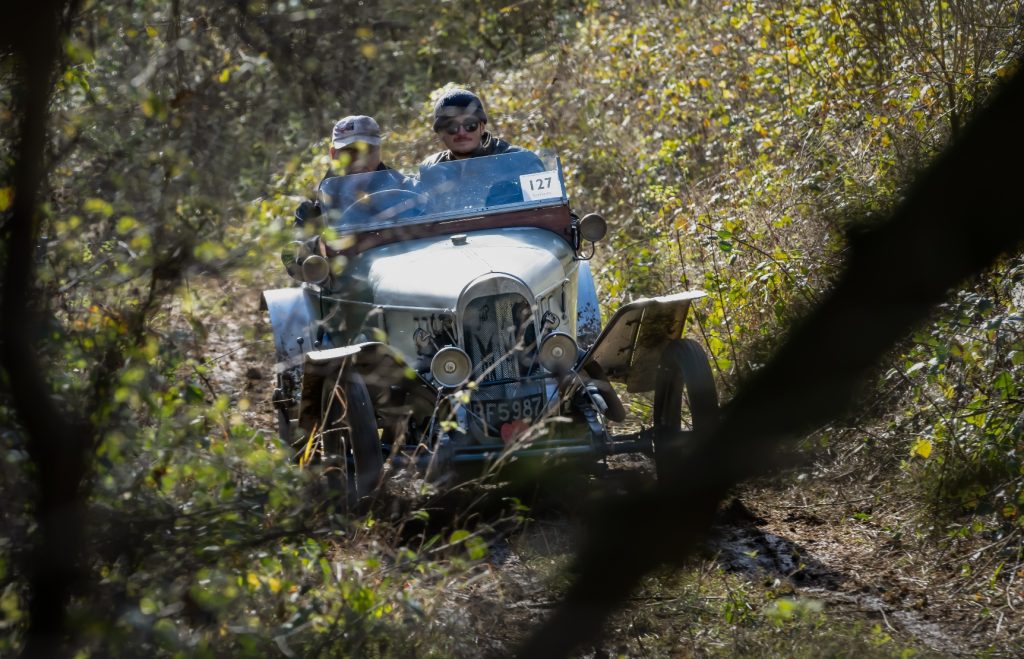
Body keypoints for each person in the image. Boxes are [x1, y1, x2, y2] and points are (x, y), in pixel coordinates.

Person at [294, 114, 402, 229]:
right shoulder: (313, 210)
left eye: (367, 150)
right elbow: (305, 244)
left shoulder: (403, 187)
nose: (360, 159)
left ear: (379, 151)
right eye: (350, 151)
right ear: (333, 154)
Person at [421, 89, 523, 165]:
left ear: (482, 127)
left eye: (470, 125)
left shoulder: (516, 161)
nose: (461, 133)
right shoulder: (431, 170)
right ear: (441, 134)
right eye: (452, 127)